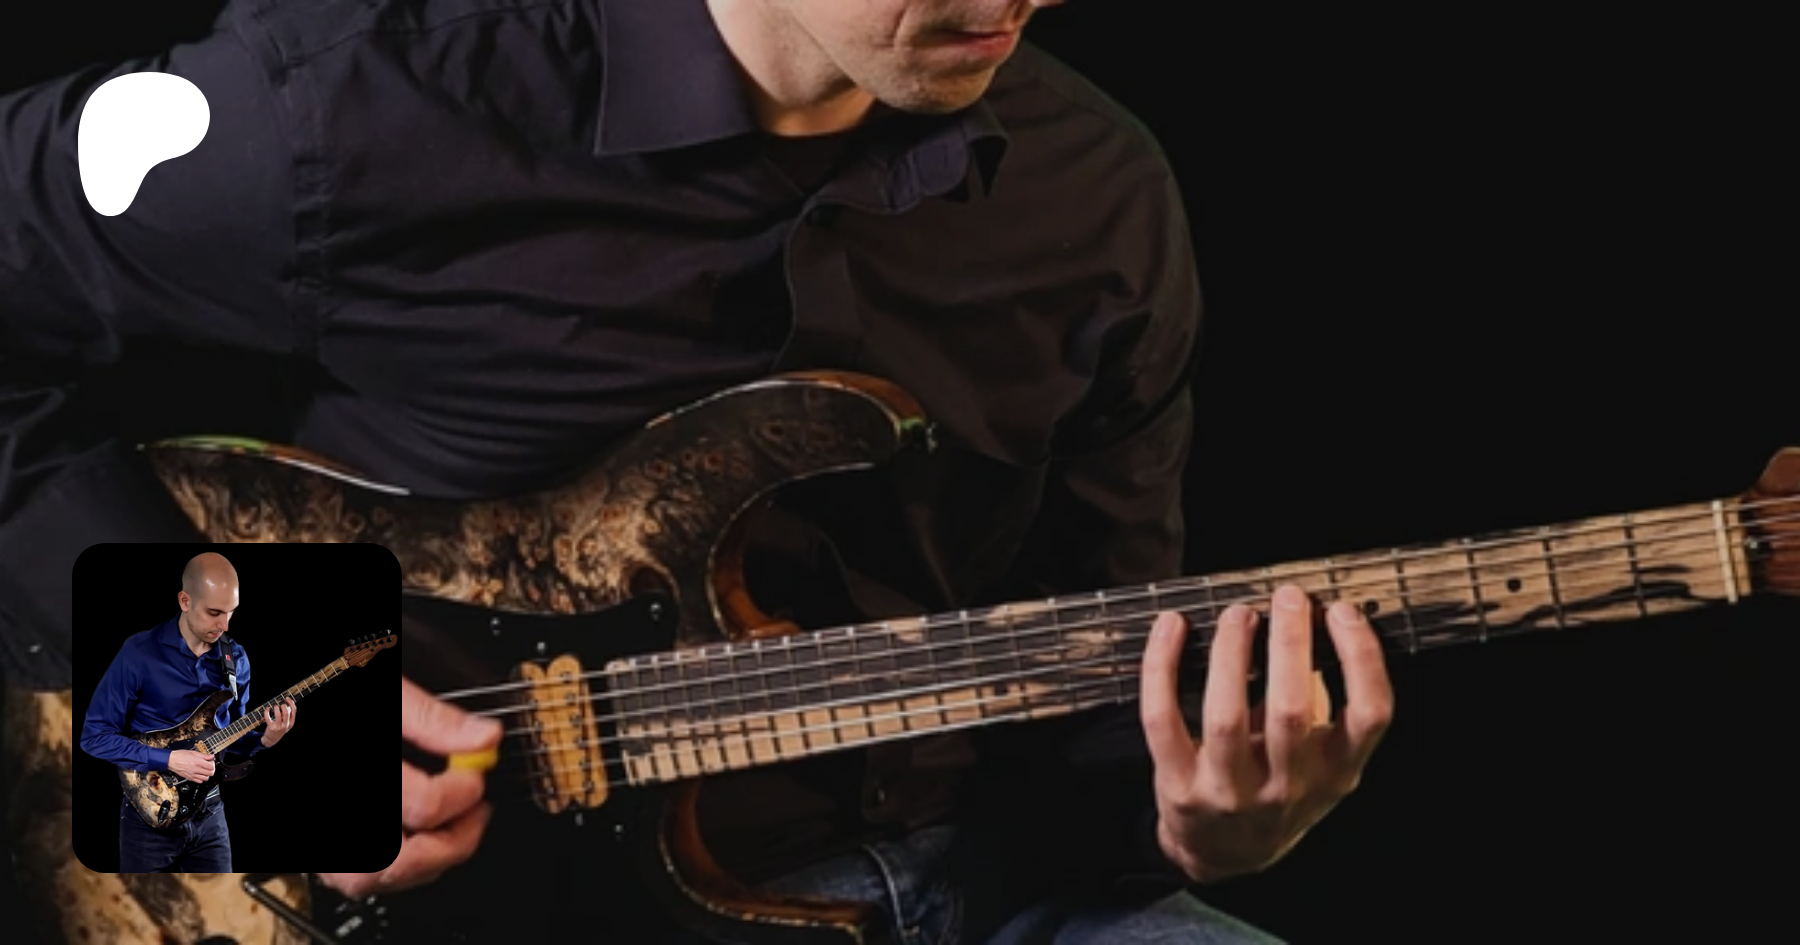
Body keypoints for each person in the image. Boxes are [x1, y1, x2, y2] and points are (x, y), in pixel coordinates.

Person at [1, 0, 1392, 941]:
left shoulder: (1101, 200)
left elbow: (1094, 688)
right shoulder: (353, 106)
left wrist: (1202, 822)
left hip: (969, 882)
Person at [77, 552, 297, 872]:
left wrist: (265, 740)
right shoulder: (139, 653)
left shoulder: (236, 659)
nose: (224, 625)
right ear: (184, 601)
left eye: (231, 612)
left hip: (211, 816)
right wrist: (169, 760)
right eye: (214, 613)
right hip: (149, 815)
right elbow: (94, 737)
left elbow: (231, 738)